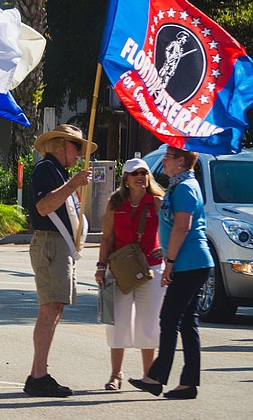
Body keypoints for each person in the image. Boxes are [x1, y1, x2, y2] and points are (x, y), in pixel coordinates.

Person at [129, 146, 214, 400]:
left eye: (168, 157)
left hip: (190, 263)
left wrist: (170, 262)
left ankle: (156, 378)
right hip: (188, 262)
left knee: (169, 318)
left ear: (181, 162)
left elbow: (182, 226)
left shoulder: (187, 187)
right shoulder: (179, 185)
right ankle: (187, 384)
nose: (163, 161)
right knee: (187, 323)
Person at [24, 124, 95, 397]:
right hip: (50, 245)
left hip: (57, 245)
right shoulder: (46, 170)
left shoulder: (56, 172)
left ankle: (38, 373)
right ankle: (38, 375)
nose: (80, 154)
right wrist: (73, 184)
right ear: (62, 145)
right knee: (50, 308)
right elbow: (43, 207)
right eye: (77, 147)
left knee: (54, 308)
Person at [95, 158, 165, 390]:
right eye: (135, 173)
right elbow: (107, 237)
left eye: (144, 173)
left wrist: (165, 248)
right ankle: (116, 375)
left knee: (149, 323)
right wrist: (101, 266)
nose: (140, 177)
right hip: (120, 270)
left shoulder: (157, 201)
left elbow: (174, 228)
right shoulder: (115, 203)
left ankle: (149, 375)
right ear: (125, 178)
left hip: (152, 269)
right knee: (118, 322)